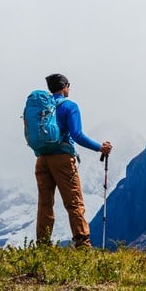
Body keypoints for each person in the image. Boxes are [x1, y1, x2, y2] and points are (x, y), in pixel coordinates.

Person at [35, 73, 113, 248]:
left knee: (45, 203)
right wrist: (99, 147)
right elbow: (77, 135)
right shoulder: (69, 106)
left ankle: (42, 245)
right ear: (64, 87)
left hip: (42, 159)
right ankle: (83, 244)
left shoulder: (42, 108)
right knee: (74, 201)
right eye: (69, 85)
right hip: (62, 158)